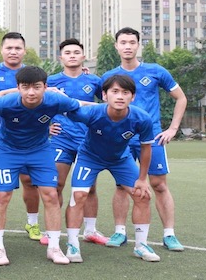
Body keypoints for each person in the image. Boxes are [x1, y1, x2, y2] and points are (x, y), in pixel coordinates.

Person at [0, 66, 90, 266]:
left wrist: (110, 106)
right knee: (2, 196)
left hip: (40, 152)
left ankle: (54, 247)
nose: (31, 92)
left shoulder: (55, 100)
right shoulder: (6, 103)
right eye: (25, 87)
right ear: (18, 88)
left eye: (36, 87)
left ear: (46, 87)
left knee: (51, 195)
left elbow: (80, 105)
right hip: (8, 152)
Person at [101, 27, 187, 251]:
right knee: (122, 186)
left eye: (132, 42)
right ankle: (120, 231)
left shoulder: (155, 71)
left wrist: (173, 128)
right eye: (123, 42)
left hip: (152, 137)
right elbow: (97, 106)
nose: (127, 46)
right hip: (121, 139)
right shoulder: (108, 77)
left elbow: (181, 98)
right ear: (116, 46)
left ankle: (169, 234)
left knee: (159, 185)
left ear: (138, 45)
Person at [65, 74, 160, 262]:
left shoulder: (142, 118)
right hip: (89, 157)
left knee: (143, 195)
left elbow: (146, 149)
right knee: (79, 195)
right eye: (115, 91)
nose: (120, 96)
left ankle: (141, 246)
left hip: (120, 159)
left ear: (133, 97)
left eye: (125, 92)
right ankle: (72, 244)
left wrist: (142, 179)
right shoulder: (92, 113)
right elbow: (66, 109)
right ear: (104, 95)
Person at [0, 32, 44, 244]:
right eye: (9, 48)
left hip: (28, 135)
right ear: (2, 50)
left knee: (29, 181)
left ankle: (32, 223)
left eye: (17, 48)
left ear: (24, 51)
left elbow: (48, 96)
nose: (13, 52)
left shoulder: (31, 74)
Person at [47, 38, 108, 245]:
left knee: (90, 187)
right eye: (67, 53)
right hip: (61, 140)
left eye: (76, 52)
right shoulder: (51, 81)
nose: (72, 56)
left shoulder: (95, 81)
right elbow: (38, 104)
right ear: (60, 58)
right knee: (56, 185)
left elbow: (107, 104)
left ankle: (90, 230)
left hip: (88, 140)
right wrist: (46, 127)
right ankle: (52, 231)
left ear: (83, 57)